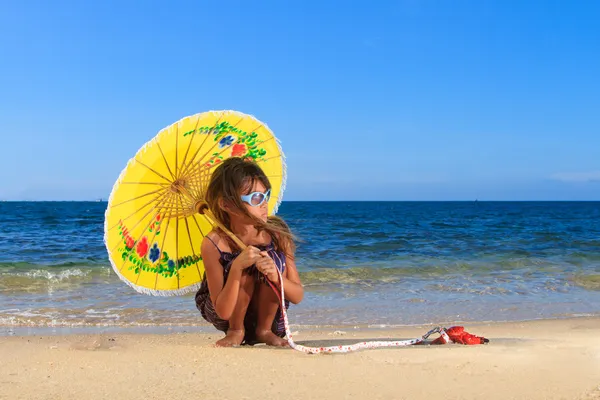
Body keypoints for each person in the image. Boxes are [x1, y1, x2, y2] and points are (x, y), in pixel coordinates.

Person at [195, 157, 304, 347]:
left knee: (273, 261)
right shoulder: (214, 243)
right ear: (226, 205)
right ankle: (237, 331)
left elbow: (297, 296)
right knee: (244, 264)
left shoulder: (277, 234)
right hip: (227, 314)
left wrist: (275, 276)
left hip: (271, 316)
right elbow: (222, 311)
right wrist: (237, 268)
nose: (264, 204)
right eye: (255, 198)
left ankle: (264, 331)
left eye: (266, 195)